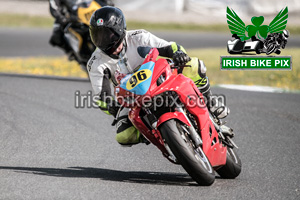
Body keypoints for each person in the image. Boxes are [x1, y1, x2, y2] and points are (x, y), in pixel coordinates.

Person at [87, 6, 230, 146]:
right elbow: (101, 96)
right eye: (98, 36)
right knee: (124, 136)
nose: (104, 40)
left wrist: (178, 54)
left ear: (120, 29)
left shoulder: (139, 37)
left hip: (159, 78)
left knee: (193, 65)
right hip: (132, 98)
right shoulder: (95, 63)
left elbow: (170, 47)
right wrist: (111, 106)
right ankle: (157, 134)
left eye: (108, 35)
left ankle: (210, 103)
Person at [49, 0, 115, 58]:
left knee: (112, 20)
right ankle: (71, 52)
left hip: (89, 10)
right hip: (70, 16)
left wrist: (108, 3)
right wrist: (62, 18)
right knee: (56, 37)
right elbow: (54, 7)